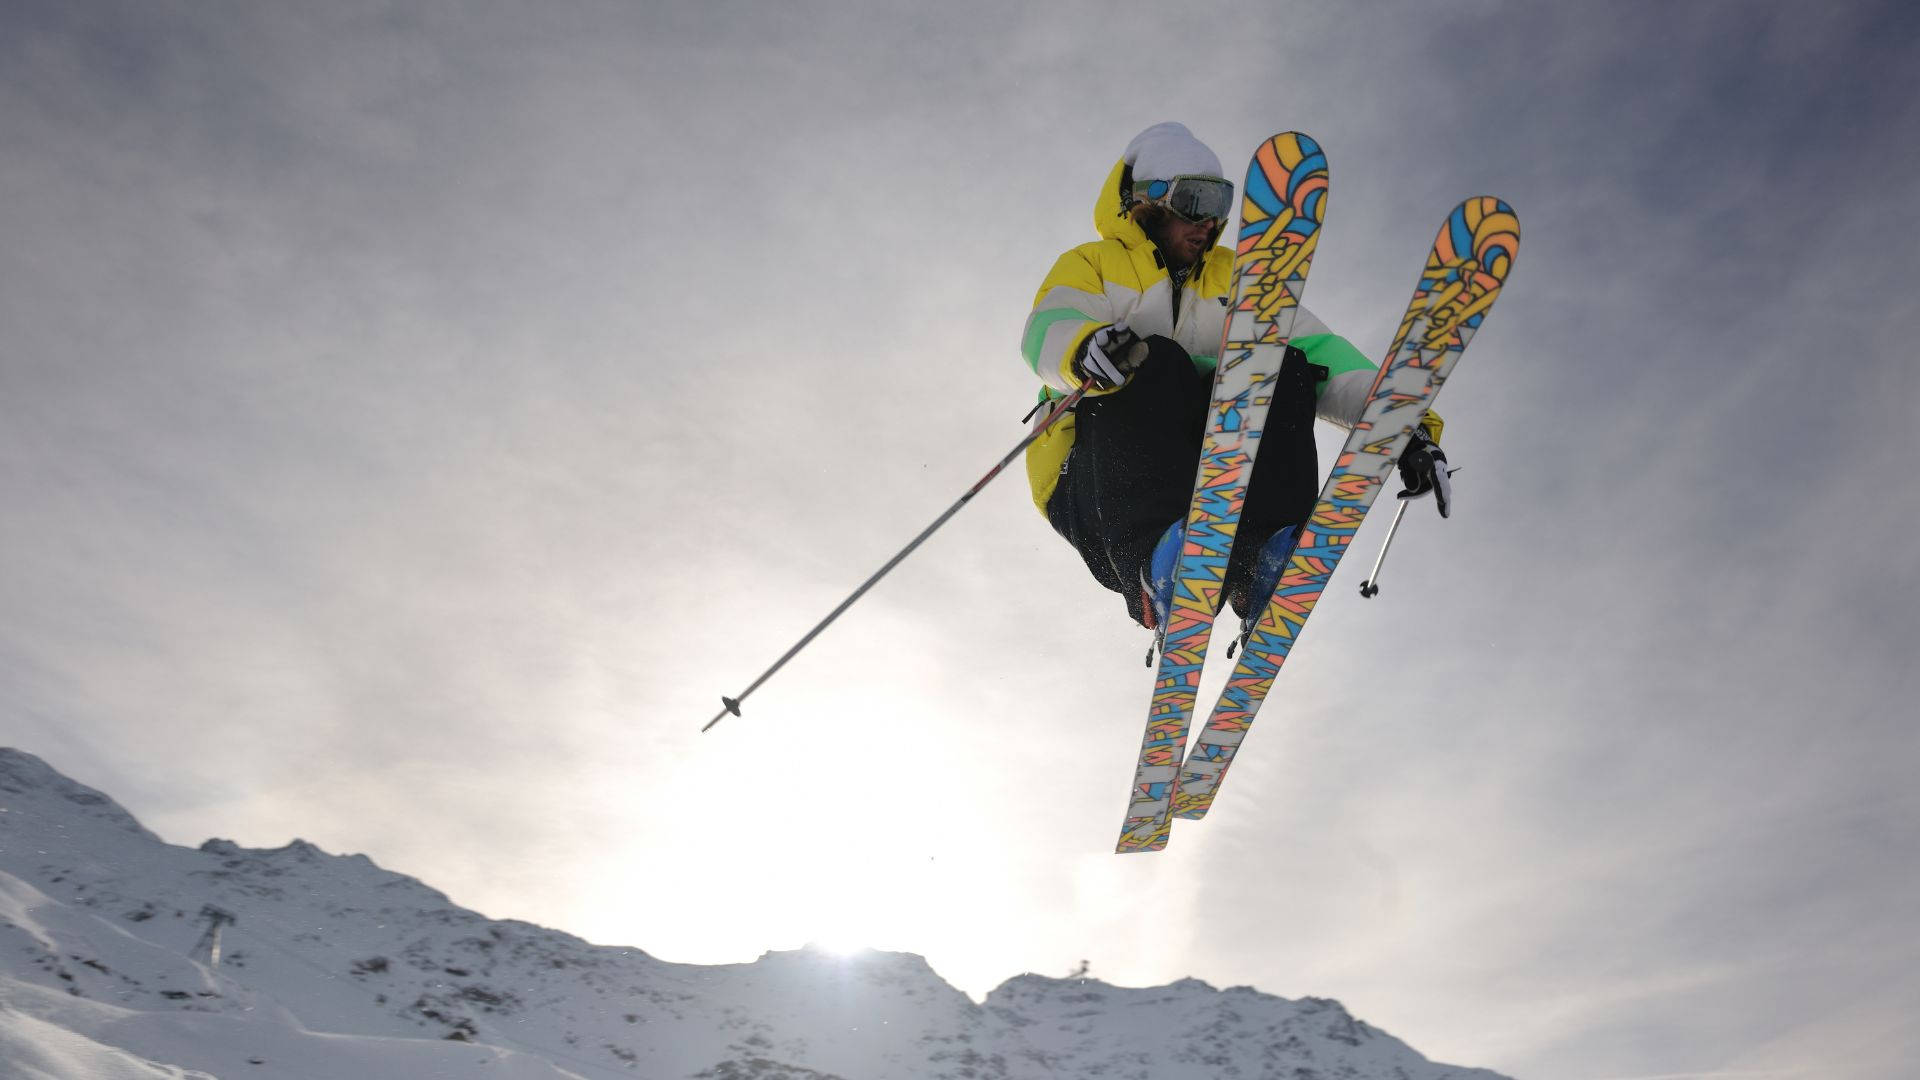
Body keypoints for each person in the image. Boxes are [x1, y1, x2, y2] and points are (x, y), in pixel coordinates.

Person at [1020, 122, 1452, 629]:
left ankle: (1261, 562)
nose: (1209, 222)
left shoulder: (1239, 279)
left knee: (1280, 365)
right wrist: (1083, 347)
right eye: (1196, 200)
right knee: (1152, 360)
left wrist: (1401, 425)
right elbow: (1047, 327)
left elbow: (1323, 355)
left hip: (1199, 470)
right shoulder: (1093, 262)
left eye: (1221, 205)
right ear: (1150, 200)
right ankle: (1157, 566)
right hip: (1091, 481)